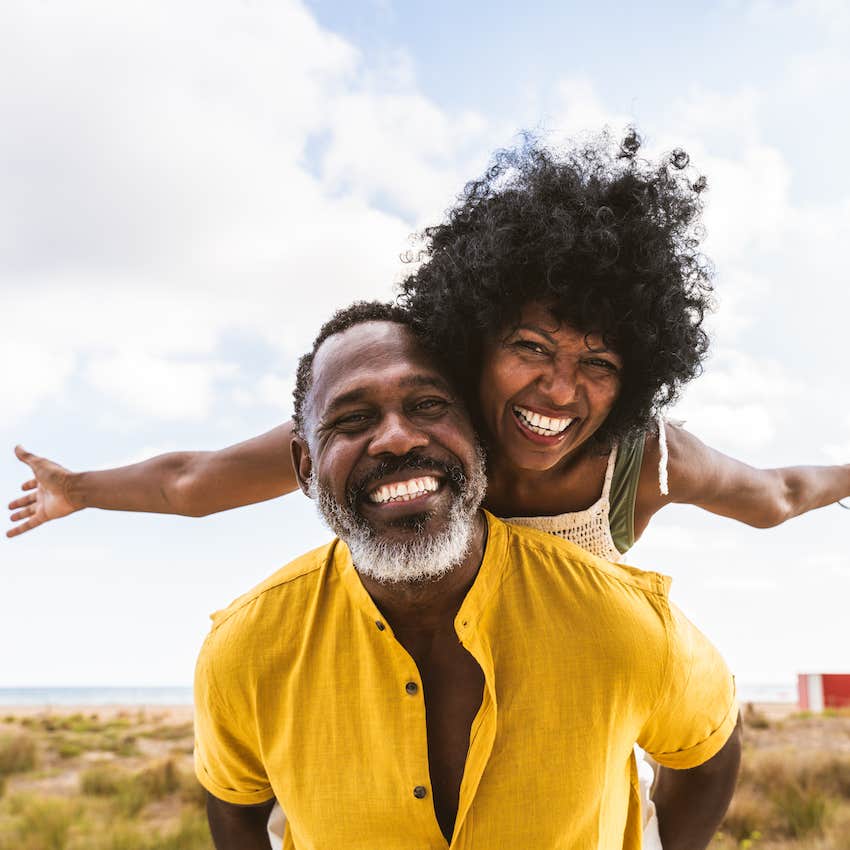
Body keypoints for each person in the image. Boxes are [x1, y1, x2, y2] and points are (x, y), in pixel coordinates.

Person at [9, 131, 849, 558]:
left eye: (597, 362)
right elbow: (194, 481)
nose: (560, 390)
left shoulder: (646, 461)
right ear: (473, 338)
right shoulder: (418, 436)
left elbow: (776, 494)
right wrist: (79, 489)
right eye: (531, 347)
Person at [195, 301, 742, 850]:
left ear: (477, 434)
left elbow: (709, 752)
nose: (396, 439)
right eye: (353, 419)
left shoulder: (625, 623)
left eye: (429, 405)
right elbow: (236, 809)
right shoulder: (244, 648)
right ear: (305, 467)